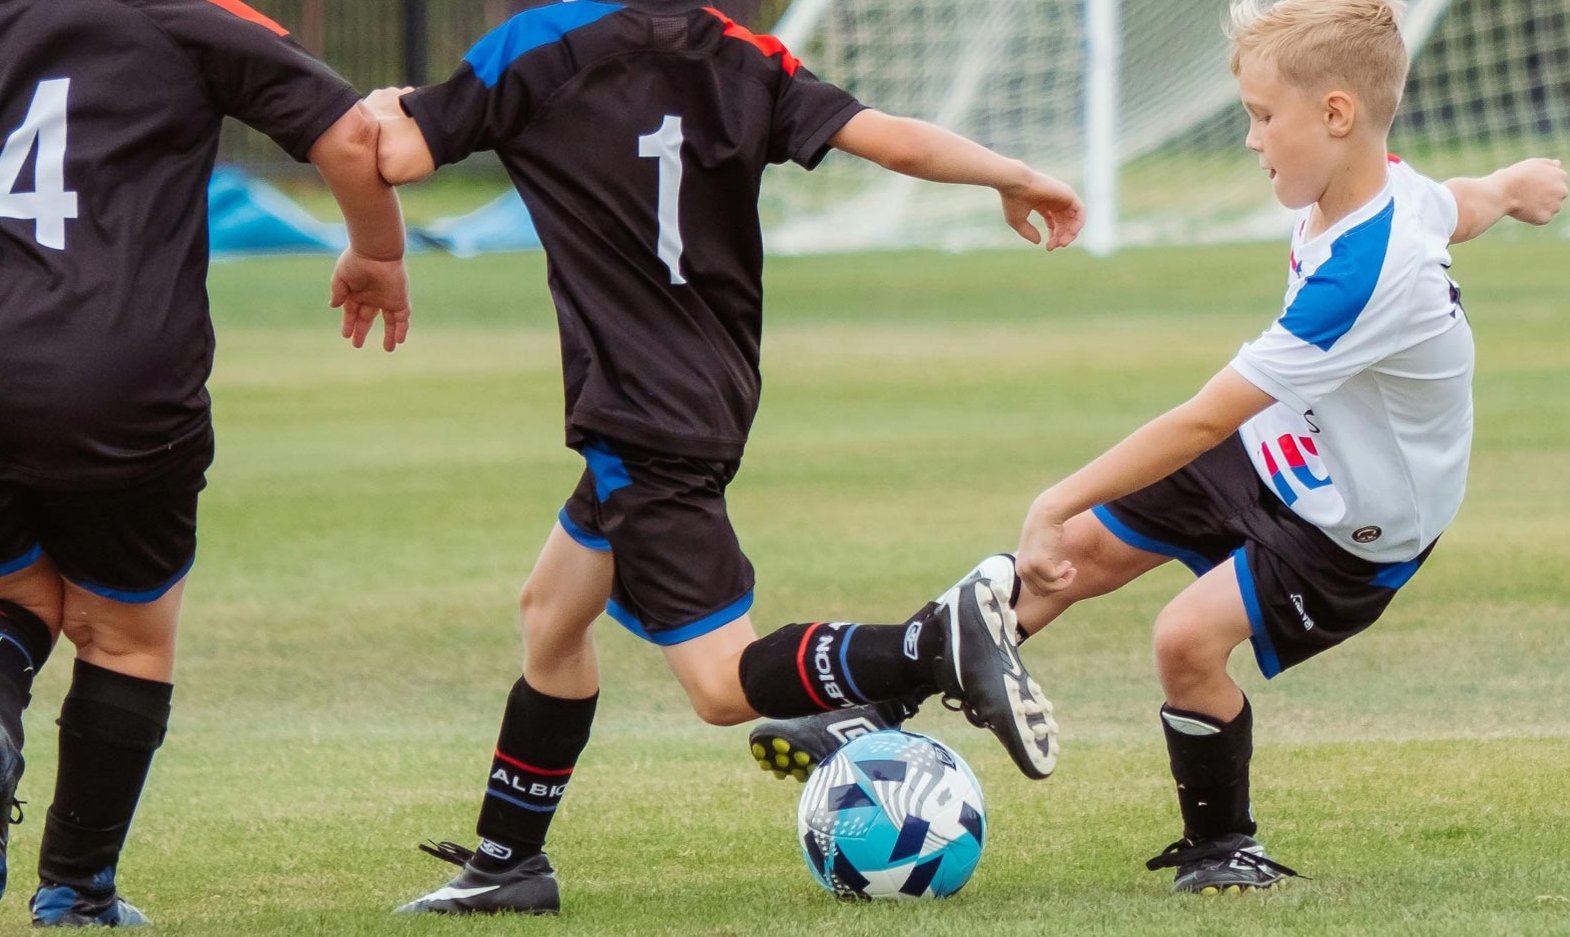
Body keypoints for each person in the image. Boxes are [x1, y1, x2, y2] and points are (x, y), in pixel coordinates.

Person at [751, 0, 1569, 896]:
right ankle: (877, 703)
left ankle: (1225, 846)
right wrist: (1515, 186)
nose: (1252, 141)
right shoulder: (1386, 188)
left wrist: (1053, 497)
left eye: (1263, 117)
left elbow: (1201, 421)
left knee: (1183, 638)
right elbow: (1460, 204)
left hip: (1356, 526)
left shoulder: (1368, 273)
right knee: (1081, 554)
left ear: (1337, 115)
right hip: (1288, 445)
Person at [365, 0, 1078, 915]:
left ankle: (925, 645)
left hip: (636, 409)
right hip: (712, 388)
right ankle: (510, 863)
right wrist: (1011, 175)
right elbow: (890, 141)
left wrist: (393, 106)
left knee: (718, 685)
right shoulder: (742, 53)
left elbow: (397, 155)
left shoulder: (536, 46)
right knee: (551, 613)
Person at [0, 0, 410, 926]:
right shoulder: (191, 18)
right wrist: (378, 253)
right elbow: (350, 134)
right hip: (120, 376)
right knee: (125, 633)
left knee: (18, 598)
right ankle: (76, 890)